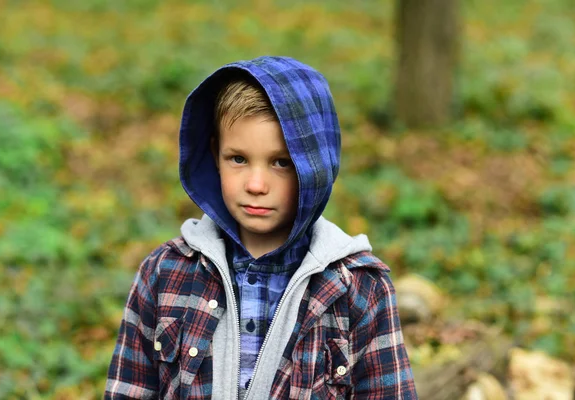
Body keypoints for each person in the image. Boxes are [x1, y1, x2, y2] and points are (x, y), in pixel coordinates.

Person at [105, 56, 417, 399]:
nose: (255, 184)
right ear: (215, 154)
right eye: (238, 159)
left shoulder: (360, 288)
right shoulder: (165, 273)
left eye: (281, 163)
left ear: (315, 167)